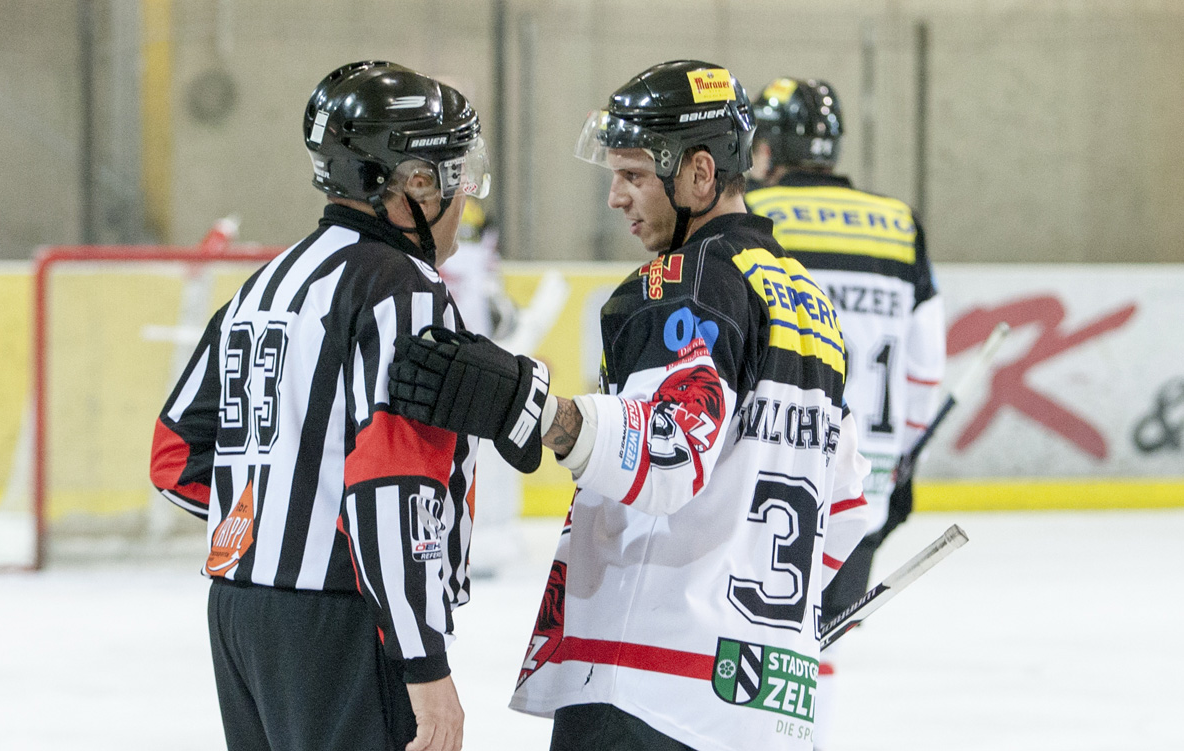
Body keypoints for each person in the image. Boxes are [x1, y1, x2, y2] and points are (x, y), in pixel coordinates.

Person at [387, 60, 871, 751]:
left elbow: (666, 451)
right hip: (762, 712)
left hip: (648, 689)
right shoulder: (811, 307)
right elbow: (846, 513)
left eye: (634, 175)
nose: (615, 196)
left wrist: (533, 408)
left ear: (699, 173)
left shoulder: (683, 281)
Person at [149, 60, 493, 751]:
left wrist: (276, 520)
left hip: (241, 614)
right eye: (455, 172)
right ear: (414, 182)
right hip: (344, 622)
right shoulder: (405, 289)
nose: (465, 193)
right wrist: (423, 662)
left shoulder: (264, 285)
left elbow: (174, 456)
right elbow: (392, 485)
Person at [745, 77, 947, 749]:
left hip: (774, 462)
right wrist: (902, 459)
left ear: (767, 148)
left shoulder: (751, 211)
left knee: (747, 636)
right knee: (821, 640)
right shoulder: (899, 224)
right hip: (866, 481)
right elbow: (926, 365)